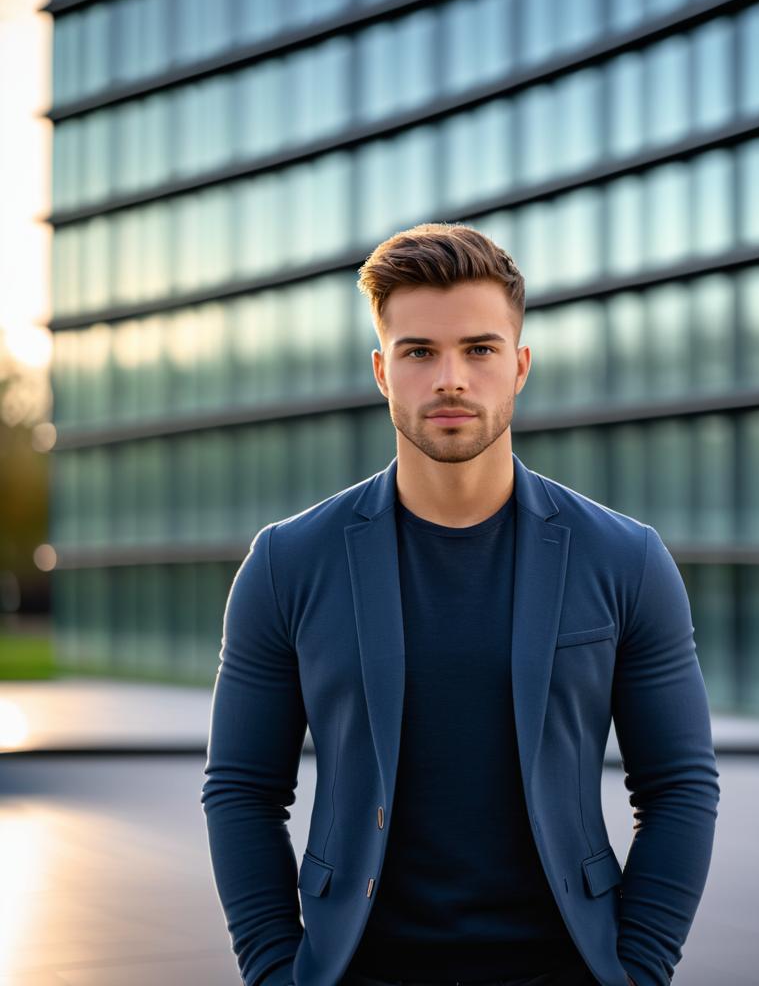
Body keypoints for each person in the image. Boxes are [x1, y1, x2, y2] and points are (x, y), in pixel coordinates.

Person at [201, 223, 719, 986]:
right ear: (382, 371)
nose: (450, 379)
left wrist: (638, 970)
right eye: (419, 352)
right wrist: (276, 971)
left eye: (479, 350)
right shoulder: (287, 563)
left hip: (565, 968)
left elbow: (680, 787)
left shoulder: (625, 559)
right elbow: (242, 791)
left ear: (520, 366)